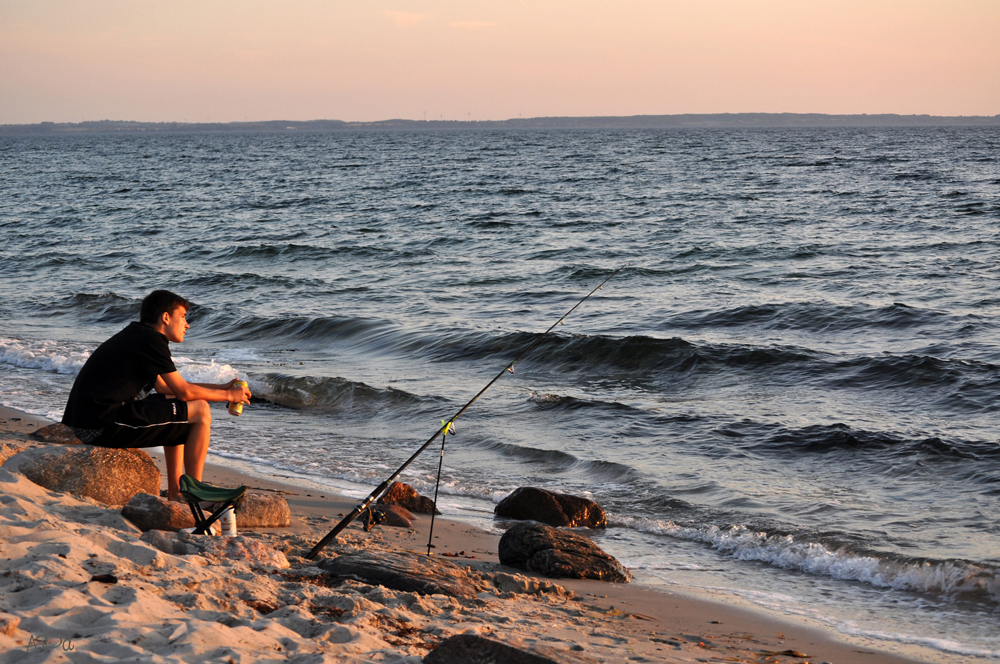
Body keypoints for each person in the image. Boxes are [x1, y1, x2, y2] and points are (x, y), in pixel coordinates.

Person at [62, 290, 252, 502]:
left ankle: (176, 492)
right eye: (183, 317)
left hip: (90, 420)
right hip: (100, 424)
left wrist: (220, 387)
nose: (187, 324)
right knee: (201, 410)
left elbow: (166, 389)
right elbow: (183, 390)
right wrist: (228, 396)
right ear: (165, 317)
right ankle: (195, 492)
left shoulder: (139, 335)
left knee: (180, 407)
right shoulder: (152, 340)